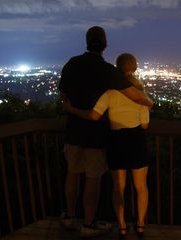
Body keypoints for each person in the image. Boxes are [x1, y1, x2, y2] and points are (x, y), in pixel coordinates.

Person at [58, 26, 153, 239]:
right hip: (97, 136)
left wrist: (71, 108)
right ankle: (90, 223)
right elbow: (135, 96)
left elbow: (63, 92)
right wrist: (148, 102)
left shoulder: (72, 64)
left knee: (72, 174)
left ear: (86, 41)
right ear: (105, 44)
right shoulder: (107, 71)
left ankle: (69, 216)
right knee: (93, 179)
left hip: (73, 131)